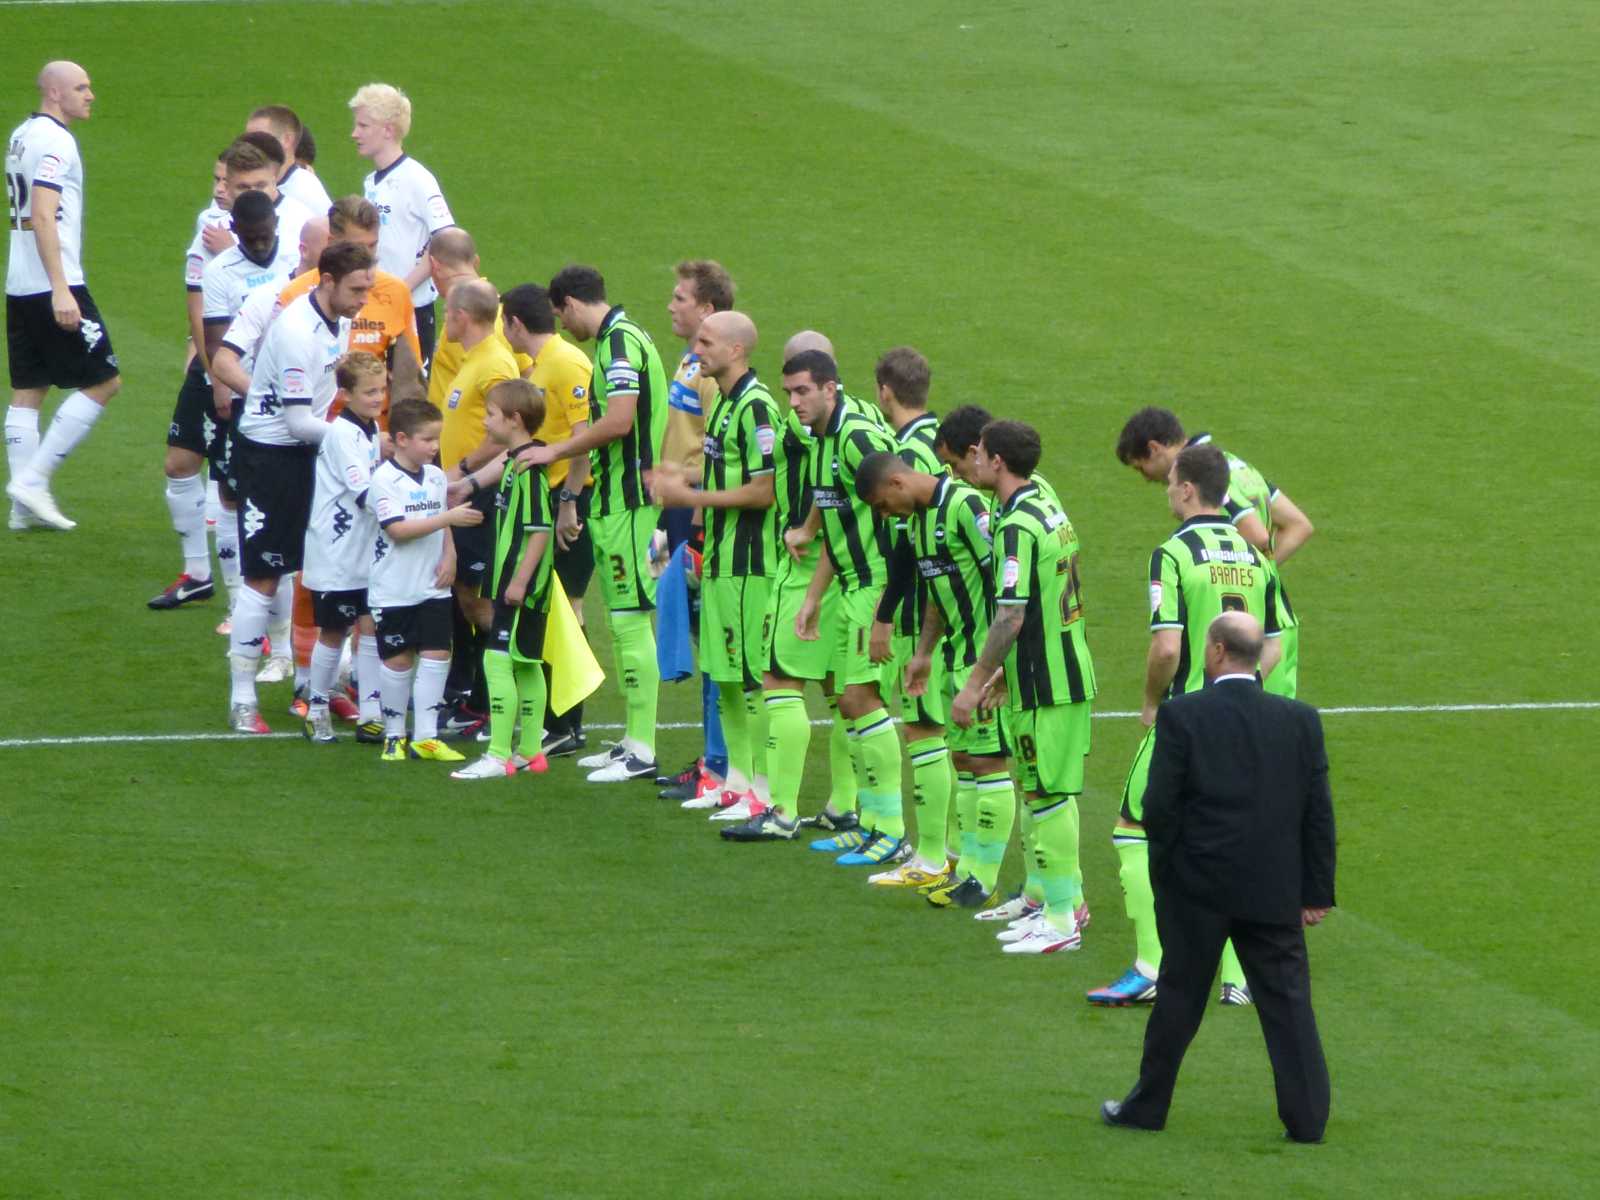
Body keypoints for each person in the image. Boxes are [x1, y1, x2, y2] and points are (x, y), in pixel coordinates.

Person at [1101, 612, 1334, 1144]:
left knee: (1179, 1000)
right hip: (1273, 890)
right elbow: (1319, 814)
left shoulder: (1182, 715)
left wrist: (1169, 873)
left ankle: (1147, 1107)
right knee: (1289, 1004)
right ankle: (1307, 1120)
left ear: (1217, 651)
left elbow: (1158, 806)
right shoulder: (1300, 720)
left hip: (1197, 890)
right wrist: (1316, 892)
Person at [1088, 443, 1288, 1006]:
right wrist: (1243, 691)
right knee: (1220, 840)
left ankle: (1153, 967)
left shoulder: (1172, 554)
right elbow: (1273, 642)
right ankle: (1238, 978)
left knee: (1133, 827)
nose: (1168, 491)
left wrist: (1154, 703)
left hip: (1187, 718)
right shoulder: (1254, 555)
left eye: (1172, 482)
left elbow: (1166, 646)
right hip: (1240, 715)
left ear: (1187, 489)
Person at [948, 421, 1097, 949]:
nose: (975, 461)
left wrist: (973, 684)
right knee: (1044, 793)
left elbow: (1011, 615)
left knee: (1048, 797)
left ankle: (1060, 921)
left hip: (1046, 682)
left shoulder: (1014, 526)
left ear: (999, 462)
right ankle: (1061, 903)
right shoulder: (1045, 505)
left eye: (981, 454)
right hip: (1055, 672)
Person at [517, 265, 668, 783]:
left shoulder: (619, 344)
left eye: (561, 313)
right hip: (615, 500)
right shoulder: (620, 339)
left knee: (629, 623)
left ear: (571, 303)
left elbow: (619, 421)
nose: (562, 324)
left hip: (628, 501)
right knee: (625, 623)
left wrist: (555, 450)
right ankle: (632, 738)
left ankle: (643, 748)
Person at [223, 241, 375, 734]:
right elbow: (294, 420)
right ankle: (243, 699)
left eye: (368, 288)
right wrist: (358, 438)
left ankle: (317, 687)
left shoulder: (341, 320)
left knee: (328, 564)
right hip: (271, 457)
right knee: (264, 575)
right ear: (326, 281)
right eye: (356, 289)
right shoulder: (293, 332)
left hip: (313, 450)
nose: (363, 300)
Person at [646, 312, 782, 836]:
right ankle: (737, 783)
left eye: (706, 341)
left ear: (736, 349)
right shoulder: (722, 401)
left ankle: (763, 793)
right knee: (724, 677)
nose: (695, 348)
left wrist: (690, 496)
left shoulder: (756, 406)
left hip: (752, 566)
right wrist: (697, 528)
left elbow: (764, 491)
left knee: (749, 680)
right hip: (722, 559)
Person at [855, 449, 1008, 896]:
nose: (884, 516)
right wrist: (923, 652)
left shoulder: (964, 507)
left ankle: (983, 880)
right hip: (955, 656)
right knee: (964, 761)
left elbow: (1001, 583)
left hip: (983, 659)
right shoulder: (919, 521)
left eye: (882, 505)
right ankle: (966, 872)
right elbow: (939, 594)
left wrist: (996, 664)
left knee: (986, 762)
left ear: (897, 484)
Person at [781, 350, 907, 866]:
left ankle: (891, 829)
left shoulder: (858, 438)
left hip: (875, 584)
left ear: (830, 388)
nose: (795, 402)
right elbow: (836, 514)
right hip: (848, 584)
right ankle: (869, 823)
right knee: (846, 698)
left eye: (803, 392)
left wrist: (887, 604)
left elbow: (902, 512)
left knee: (861, 699)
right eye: (789, 393)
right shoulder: (821, 439)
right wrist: (813, 596)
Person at [152, 189, 300, 610]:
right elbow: (216, 345)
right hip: (238, 390)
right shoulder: (220, 272)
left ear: (277, 225)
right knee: (227, 490)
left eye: (265, 235)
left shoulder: (293, 260)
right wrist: (225, 389)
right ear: (234, 231)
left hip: (283, 391)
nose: (259, 244)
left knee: (260, 496)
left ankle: (265, 606)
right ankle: (236, 598)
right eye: (250, 237)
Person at [1115, 406, 1312, 698]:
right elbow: (1299, 525)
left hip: (1249, 630)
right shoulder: (1237, 465)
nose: (1144, 477)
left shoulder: (1204, 473)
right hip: (1277, 620)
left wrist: (1234, 574)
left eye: (1139, 466)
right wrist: (1255, 577)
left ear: (1154, 448)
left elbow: (1258, 537)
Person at [5, 60, 121, 532]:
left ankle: (20, 509)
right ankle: (34, 481)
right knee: (104, 380)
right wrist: (60, 288)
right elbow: (43, 212)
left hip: (17, 280)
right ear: (54, 93)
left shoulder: (20, 134)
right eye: (81, 87)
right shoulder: (57, 141)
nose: (90, 94)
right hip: (55, 281)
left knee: (28, 389)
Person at [497, 283, 594, 758]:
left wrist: (570, 502)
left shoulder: (565, 363)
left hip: (567, 501)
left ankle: (567, 723)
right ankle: (561, 723)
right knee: (555, 608)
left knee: (567, 608)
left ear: (516, 323)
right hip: (555, 497)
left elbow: (583, 438)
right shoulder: (547, 364)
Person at [866, 347, 951, 881]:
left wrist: (886, 612)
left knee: (926, 729)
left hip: (929, 608)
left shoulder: (907, 451)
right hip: (941, 605)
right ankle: (957, 854)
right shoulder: (936, 438)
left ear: (884, 391)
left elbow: (905, 545)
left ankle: (933, 856)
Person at [656, 260, 736, 803]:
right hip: (674, 514)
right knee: (692, 633)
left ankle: (721, 765)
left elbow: (721, 458)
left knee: (715, 644)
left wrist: (692, 515)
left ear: (707, 309)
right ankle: (713, 758)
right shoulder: (690, 362)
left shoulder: (710, 375)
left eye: (681, 297)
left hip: (696, 515)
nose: (671, 304)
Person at [451, 378, 556, 779]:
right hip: (524, 583)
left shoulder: (528, 469)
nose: (485, 420)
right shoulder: (517, 460)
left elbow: (539, 529)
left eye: (491, 414)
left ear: (514, 420)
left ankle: (498, 754)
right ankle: (531, 750)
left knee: (497, 660)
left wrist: (517, 583)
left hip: (519, 583)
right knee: (527, 663)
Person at [368, 397, 480, 763]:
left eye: (437, 439)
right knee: (398, 661)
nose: (435, 447)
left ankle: (427, 737)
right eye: (427, 439)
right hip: (394, 589)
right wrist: (448, 521)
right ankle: (394, 734)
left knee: (436, 654)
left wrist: (451, 554)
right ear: (401, 439)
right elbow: (398, 529)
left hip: (433, 585)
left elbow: (441, 518)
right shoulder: (383, 480)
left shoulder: (434, 476)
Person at [299, 353, 386, 744]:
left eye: (382, 390)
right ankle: (316, 708)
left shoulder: (368, 429)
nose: (378, 398)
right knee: (334, 630)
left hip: (364, 550)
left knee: (369, 624)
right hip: (336, 553)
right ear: (345, 394)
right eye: (369, 392)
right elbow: (364, 491)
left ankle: (370, 712)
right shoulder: (341, 434)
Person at [350, 82, 454, 368]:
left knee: (410, 395)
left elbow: (446, 240)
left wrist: (402, 287)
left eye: (363, 125)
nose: (354, 134)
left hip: (412, 308)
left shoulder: (417, 179)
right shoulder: (371, 182)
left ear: (388, 130)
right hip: (376, 304)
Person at [245, 105, 333, 214]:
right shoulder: (247, 181)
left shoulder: (304, 192)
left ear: (287, 140)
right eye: (247, 140)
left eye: (259, 139)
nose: (249, 147)